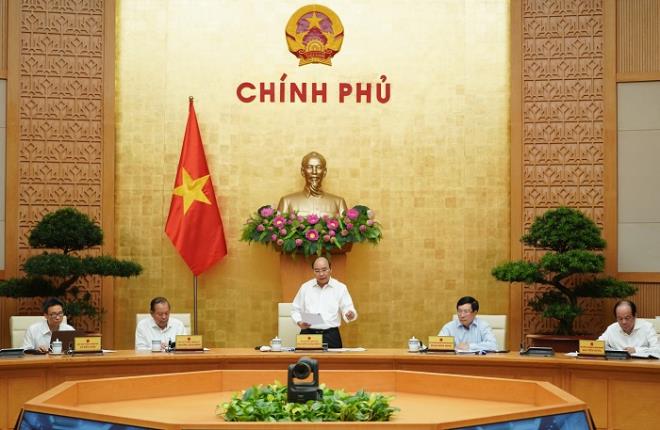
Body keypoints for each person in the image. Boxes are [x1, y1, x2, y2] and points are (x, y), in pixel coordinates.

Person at [291, 256, 357, 348]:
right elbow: (295, 310)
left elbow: (348, 308)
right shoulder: (305, 287)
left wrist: (350, 314)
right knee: (305, 358)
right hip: (308, 334)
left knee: (333, 358)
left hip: (331, 335)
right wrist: (299, 322)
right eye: (317, 271)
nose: (321, 274)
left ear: (330, 270)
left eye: (324, 270)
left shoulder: (340, 288)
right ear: (313, 272)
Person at [277, 151, 348, 217]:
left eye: (319, 167)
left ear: (324, 172)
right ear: (302, 171)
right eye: (309, 167)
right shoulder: (286, 201)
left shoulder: (338, 203)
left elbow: (346, 225)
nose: (314, 172)